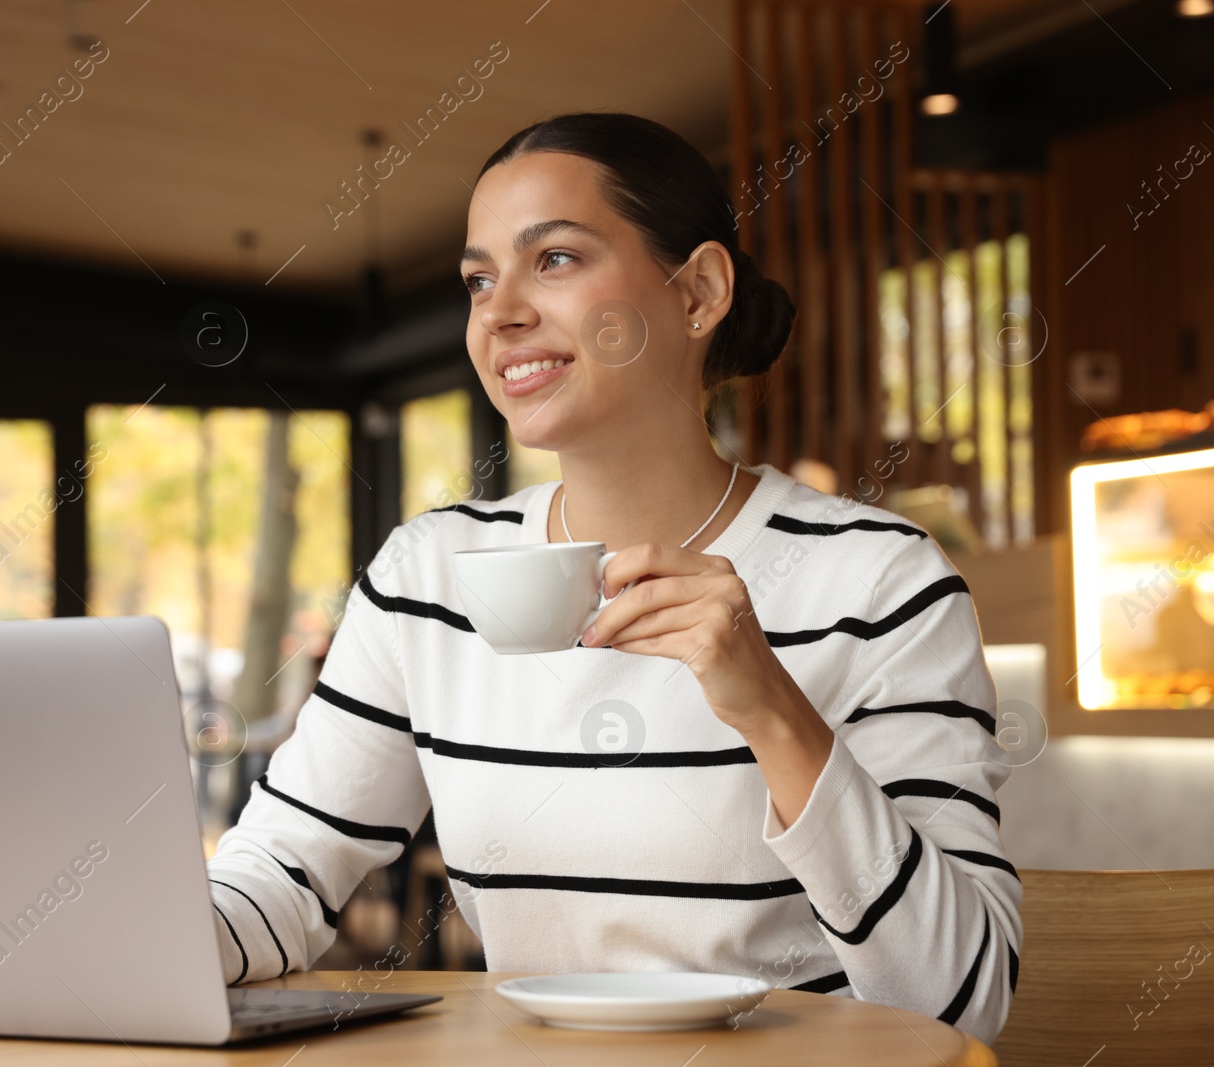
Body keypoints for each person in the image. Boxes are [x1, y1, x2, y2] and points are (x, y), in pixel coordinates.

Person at [203, 111, 1021, 1045]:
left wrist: (772, 710)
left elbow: (963, 999)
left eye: (553, 259)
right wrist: (134, 941)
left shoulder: (881, 581)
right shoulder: (426, 575)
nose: (499, 310)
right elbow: (285, 870)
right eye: (479, 278)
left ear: (699, 291)